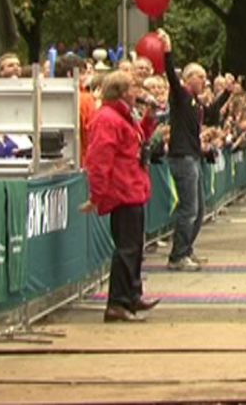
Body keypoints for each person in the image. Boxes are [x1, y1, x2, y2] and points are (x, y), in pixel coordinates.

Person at [84, 70, 160, 322]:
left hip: (132, 187)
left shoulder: (125, 116)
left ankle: (132, 294)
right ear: (121, 92)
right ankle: (117, 302)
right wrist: (97, 194)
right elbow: (99, 159)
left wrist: (148, 121)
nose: (137, 92)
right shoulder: (108, 119)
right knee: (127, 248)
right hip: (122, 190)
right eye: (132, 88)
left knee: (135, 247)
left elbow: (138, 141)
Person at [158, 29, 210, 272]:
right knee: (188, 209)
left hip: (194, 156)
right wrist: (168, 50)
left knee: (199, 209)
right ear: (191, 78)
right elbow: (170, 74)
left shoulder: (196, 102)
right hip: (182, 158)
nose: (205, 82)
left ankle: (187, 248)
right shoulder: (180, 95)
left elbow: (212, 114)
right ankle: (177, 255)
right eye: (202, 78)